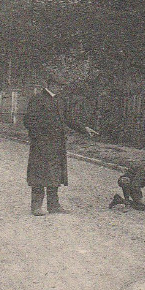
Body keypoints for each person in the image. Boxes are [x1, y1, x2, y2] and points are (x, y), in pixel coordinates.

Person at [23, 72, 97, 216]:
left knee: (55, 175)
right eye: (58, 85)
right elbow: (29, 121)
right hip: (41, 145)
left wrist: (84, 128)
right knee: (38, 175)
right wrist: (38, 138)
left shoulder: (60, 101)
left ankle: (54, 206)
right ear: (50, 84)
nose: (60, 88)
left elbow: (68, 118)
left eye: (62, 86)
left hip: (58, 145)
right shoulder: (37, 99)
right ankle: (36, 207)